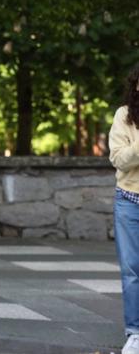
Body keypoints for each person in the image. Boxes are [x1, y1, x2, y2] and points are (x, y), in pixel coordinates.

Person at [108, 63, 139, 354]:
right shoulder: (123, 116)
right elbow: (118, 158)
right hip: (130, 201)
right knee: (132, 271)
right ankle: (135, 332)